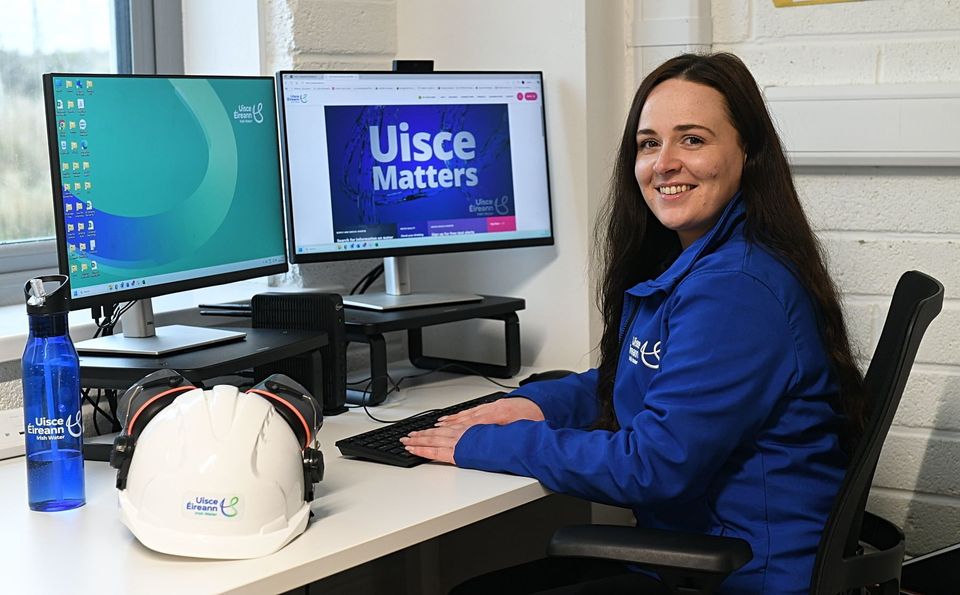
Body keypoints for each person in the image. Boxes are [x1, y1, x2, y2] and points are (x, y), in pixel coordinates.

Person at [401, 52, 866, 595]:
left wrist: (486, 444)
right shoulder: (709, 262)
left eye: (692, 139)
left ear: (748, 152)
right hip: (715, 558)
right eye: (649, 144)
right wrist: (538, 405)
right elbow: (648, 378)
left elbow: (651, 465)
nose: (664, 163)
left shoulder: (736, 290)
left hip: (744, 578)